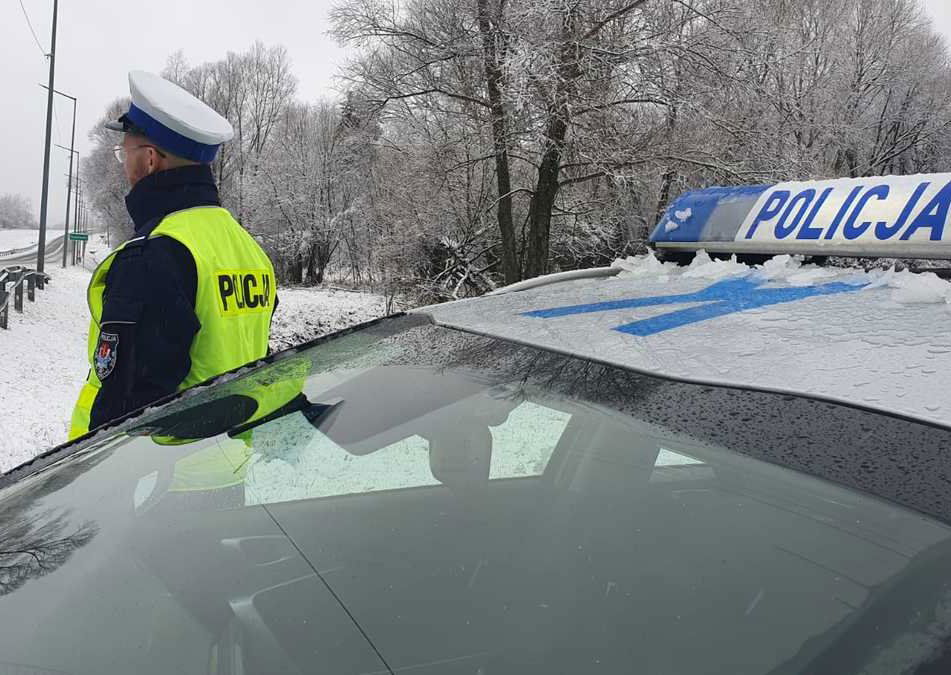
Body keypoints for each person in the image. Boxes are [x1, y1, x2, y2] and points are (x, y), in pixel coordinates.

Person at [69, 71, 277, 440]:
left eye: (125, 152)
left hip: (161, 482)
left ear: (149, 161)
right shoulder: (249, 249)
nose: (123, 164)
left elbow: (124, 414)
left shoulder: (154, 253)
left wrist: (79, 481)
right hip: (228, 468)